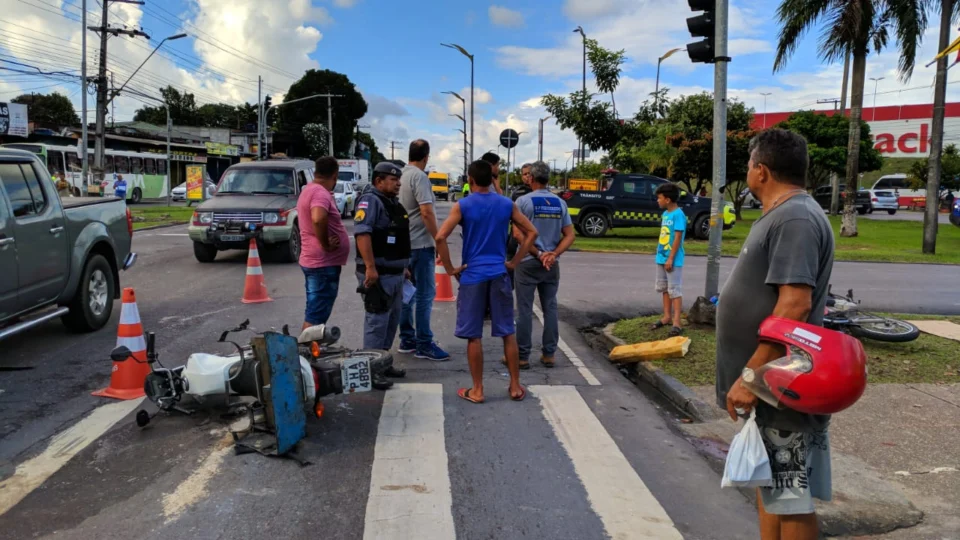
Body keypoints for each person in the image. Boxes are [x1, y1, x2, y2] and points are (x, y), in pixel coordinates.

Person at [718, 129, 835, 540]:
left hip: (779, 382)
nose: (748, 171)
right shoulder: (784, 213)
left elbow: (794, 305)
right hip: (772, 384)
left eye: (749, 164)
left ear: (761, 171)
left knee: (788, 493)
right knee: (771, 485)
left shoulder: (796, 218)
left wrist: (753, 376)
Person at [436, 159, 538, 404]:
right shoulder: (506, 204)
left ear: (470, 180)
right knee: (507, 332)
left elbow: (440, 237)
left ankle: (478, 390)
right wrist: (513, 262)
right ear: (492, 180)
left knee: (474, 336)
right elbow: (532, 232)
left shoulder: (462, 205)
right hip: (499, 273)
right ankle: (514, 386)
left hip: (472, 276)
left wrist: (450, 269)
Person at [354, 162, 412, 389]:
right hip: (378, 275)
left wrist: (403, 267)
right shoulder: (370, 202)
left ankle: (383, 363)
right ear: (379, 181)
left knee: (391, 322)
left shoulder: (391, 203)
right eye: (392, 179)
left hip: (395, 274)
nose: (398, 183)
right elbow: (362, 234)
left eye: (398, 179)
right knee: (377, 322)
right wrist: (370, 267)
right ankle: (371, 370)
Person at [513, 161, 575, 369]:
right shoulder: (560, 203)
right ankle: (549, 354)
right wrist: (553, 254)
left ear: (531, 178)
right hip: (551, 264)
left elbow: (518, 234)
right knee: (550, 308)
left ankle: (522, 356)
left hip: (528, 261)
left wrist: (539, 253)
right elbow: (570, 235)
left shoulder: (523, 202)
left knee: (524, 310)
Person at [397, 140, 450, 361]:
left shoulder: (401, 175)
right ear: (426, 156)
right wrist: (438, 240)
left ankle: (407, 338)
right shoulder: (419, 177)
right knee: (425, 295)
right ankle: (423, 343)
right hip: (420, 244)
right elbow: (426, 212)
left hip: (404, 244)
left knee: (406, 295)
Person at [298, 157, 349, 331]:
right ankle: (305, 351)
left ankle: (310, 348)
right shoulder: (320, 193)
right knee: (316, 314)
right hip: (322, 263)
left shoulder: (309, 190)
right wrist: (326, 244)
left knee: (315, 310)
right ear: (335, 175)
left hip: (316, 261)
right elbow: (318, 218)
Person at [651, 182, 687, 336]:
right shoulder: (665, 215)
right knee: (664, 289)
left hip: (672, 259)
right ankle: (667, 316)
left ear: (667, 199)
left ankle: (677, 321)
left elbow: (678, 238)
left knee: (674, 290)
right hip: (661, 257)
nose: (657, 201)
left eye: (659, 198)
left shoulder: (678, 215)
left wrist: (670, 258)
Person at [506, 163, 535, 287]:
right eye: (525, 174)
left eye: (529, 173)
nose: (527, 176)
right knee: (509, 278)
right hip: (515, 238)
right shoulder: (517, 193)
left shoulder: (541, 192)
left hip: (533, 237)